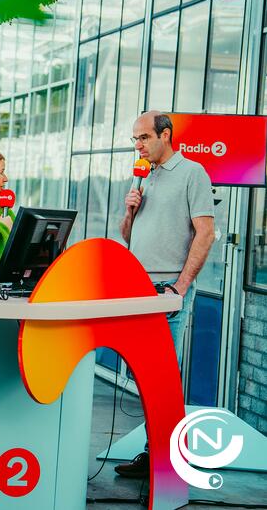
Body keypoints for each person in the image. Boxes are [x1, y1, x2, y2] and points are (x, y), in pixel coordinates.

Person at [115, 111, 215, 479]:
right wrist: (130, 211)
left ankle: (169, 464)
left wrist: (181, 287)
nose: (138, 146)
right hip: (137, 290)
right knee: (144, 379)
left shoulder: (193, 174)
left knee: (164, 381)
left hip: (168, 292)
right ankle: (153, 452)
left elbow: (205, 233)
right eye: (134, 140)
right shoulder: (143, 175)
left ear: (165, 135)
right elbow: (129, 236)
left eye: (143, 138)